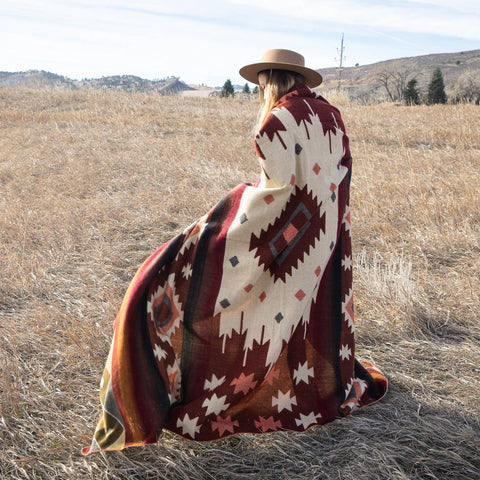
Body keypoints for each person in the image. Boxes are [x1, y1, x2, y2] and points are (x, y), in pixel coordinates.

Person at [83, 49, 387, 455]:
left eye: (260, 80)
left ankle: (187, 384)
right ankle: (319, 387)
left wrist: (234, 207)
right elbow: (331, 183)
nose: (258, 87)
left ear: (267, 79)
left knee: (168, 274)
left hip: (285, 233)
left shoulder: (277, 120)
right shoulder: (331, 115)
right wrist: (323, 226)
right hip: (325, 236)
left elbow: (277, 193)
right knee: (305, 310)